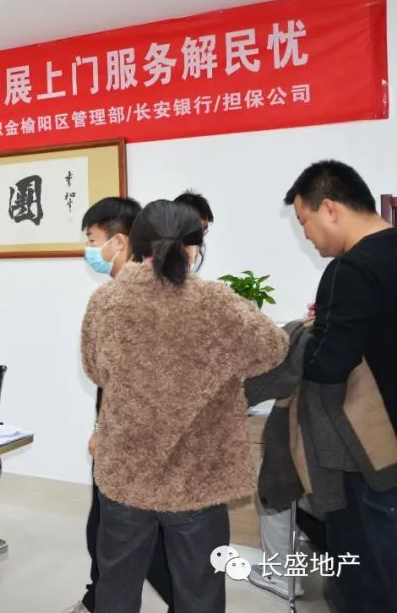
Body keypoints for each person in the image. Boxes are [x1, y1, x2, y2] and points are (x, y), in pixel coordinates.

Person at [81, 200, 287, 613]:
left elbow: (94, 369)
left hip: (125, 476)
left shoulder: (106, 302)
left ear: (137, 245)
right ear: (194, 247)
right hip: (197, 480)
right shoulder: (216, 302)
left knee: (115, 590)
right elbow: (274, 348)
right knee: (200, 595)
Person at [284, 160, 397, 611]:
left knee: (366, 579)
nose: (306, 236)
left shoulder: (350, 270)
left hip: (373, 453)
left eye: (304, 221)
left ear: (329, 208)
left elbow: (329, 364)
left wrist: (298, 341)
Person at [71, 197, 179, 613]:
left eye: (92, 239)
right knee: (106, 530)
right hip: (123, 433)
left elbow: (122, 380)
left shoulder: (128, 299)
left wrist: (104, 431)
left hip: (130, 439)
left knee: (127, 535)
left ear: (119, 242)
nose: (88, 248)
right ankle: (97, 599)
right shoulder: (123, 294)